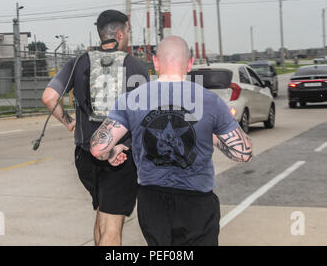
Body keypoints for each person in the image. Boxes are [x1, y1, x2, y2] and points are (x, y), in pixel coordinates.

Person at [90, 36, 253, 246]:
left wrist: (112, 153)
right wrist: (213, 137)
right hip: (197, 202)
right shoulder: (210, 101)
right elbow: (244, 153)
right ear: (190, 64)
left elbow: (97, 148)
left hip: (152, 202)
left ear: (156, 63)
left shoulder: (131, 99)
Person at [42, 10, 149, 246]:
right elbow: (143, 119)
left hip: (84, 157)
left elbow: (49, 97)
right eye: (128, 32)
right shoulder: (136, 67)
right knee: (112, 227)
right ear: (120, 33)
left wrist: (69, 122)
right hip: (119, 156)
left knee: (102, 213)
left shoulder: (77, 63)